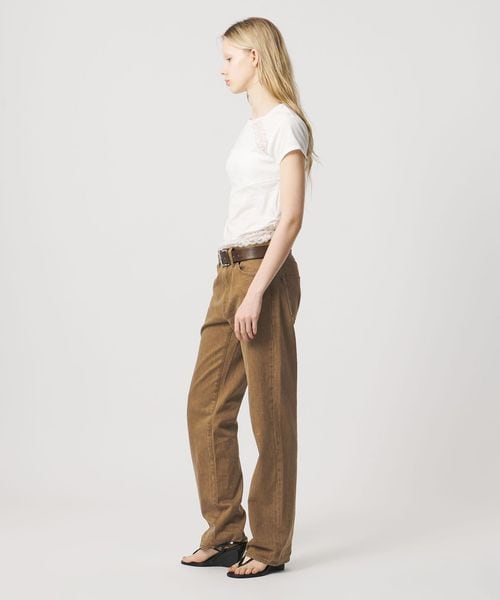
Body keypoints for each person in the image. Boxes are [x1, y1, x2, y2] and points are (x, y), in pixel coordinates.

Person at [180, 16, 316, 579]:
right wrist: (236, 288)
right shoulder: (252, 126)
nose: (222, 68)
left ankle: (270, 545)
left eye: (230, 58)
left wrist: (256, 292)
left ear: (256, 57)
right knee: (207, 405)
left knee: (270, 413)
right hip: (229, 271)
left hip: (265, 271)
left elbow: (291, 218)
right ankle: (225, 533)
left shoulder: (285, 124)